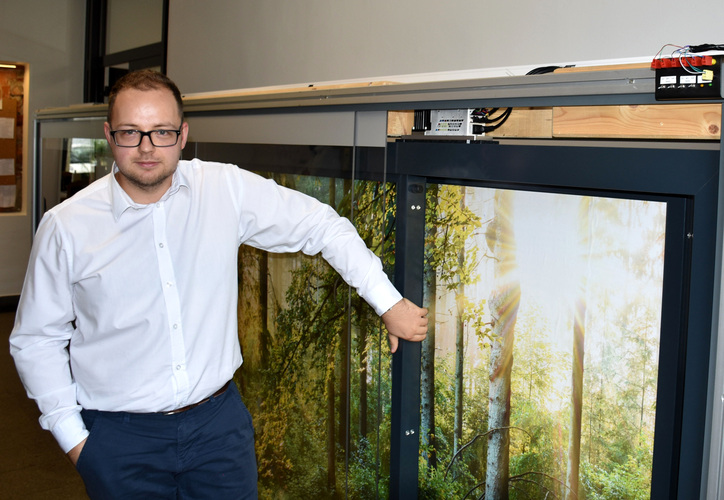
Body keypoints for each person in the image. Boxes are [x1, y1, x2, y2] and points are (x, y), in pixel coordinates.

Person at [9, 70, 428, 499]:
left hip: (217, 431)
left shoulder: (223, 188)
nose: (148, 147)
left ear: (184, 134)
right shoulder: (67, 225)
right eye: (130, 132)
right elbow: (36, 339)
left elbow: (323, 226)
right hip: (120, 438)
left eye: (163, 132)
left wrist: (387, 301)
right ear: (108, 135)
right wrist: (76, 442)